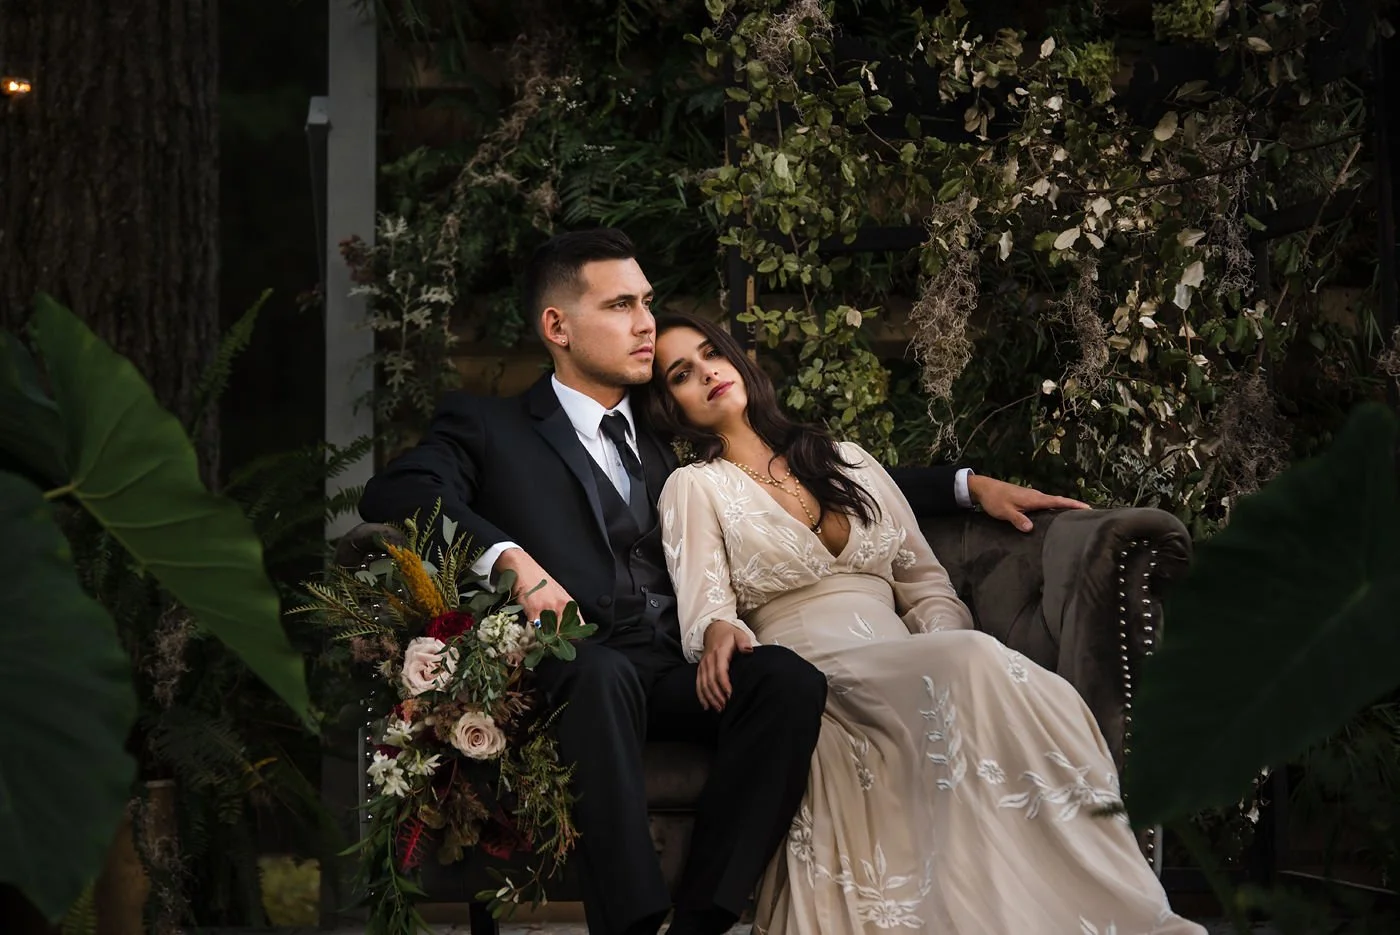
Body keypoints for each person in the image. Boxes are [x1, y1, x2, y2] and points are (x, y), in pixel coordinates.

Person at [359, 229, 1086, 935]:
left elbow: (799, 478)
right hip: (574, 665)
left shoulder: (672, 432)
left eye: (646, 302)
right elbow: (399, 491)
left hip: (671, 664)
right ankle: (631, 921)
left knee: (786, 680)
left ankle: (702, 919)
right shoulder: (493, 426)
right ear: (558, 326)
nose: (645, 323)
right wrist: (510, 559)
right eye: (620, 306)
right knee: (600, 673)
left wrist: (965, 485)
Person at [644, 312, 1206, 935]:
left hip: (910, 659)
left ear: (737, 359)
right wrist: (719, 633)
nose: (708, 374)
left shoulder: (846, 460)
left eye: (711, 354)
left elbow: (923, 582)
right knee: (971, 662)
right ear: (671, 407)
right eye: (682, 375)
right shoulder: (693, 486)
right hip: (814, 675)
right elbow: (706, 608)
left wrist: (940, 640)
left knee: (971, 660)